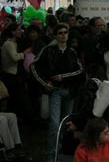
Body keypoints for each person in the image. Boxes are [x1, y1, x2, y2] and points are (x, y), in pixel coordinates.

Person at [30, 23, 85, 161]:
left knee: (66, 123)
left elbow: (80, 70)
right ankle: (51, 154)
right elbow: (34, 66)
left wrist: (63, 76)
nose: (63, 35)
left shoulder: (71, 52)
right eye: (60, 33)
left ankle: (60, 150)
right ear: (55, 35)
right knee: (55, 123)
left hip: (69, 91)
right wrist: (44, 83)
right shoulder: (48, 50)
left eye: (65, 32)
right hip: (55, 91)